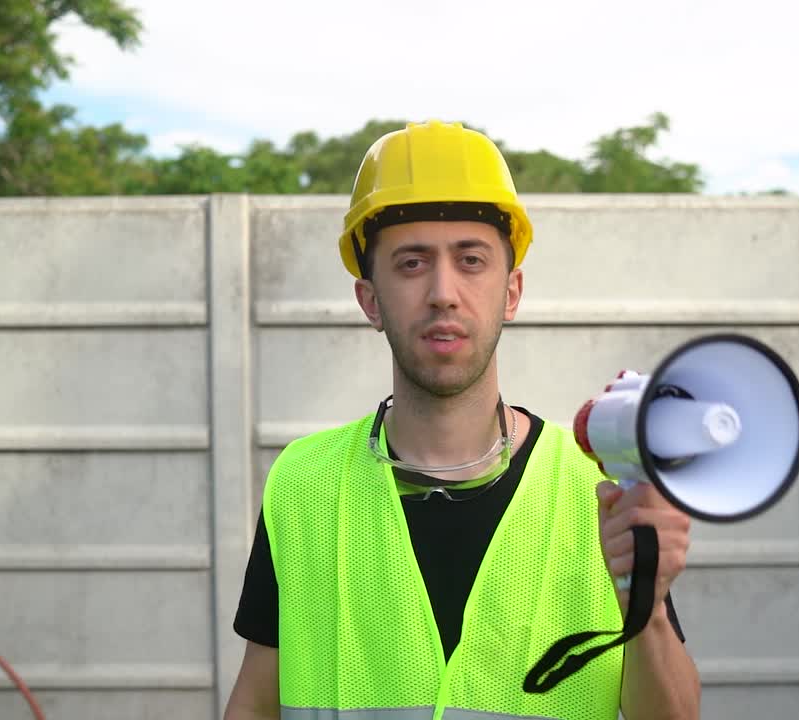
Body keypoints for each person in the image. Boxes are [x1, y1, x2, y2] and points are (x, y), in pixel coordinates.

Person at [223, 120, 701, 720]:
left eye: (471, 260)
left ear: (511, 292)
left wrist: (646, 610)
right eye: (412, 263)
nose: (443, 292)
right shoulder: (302, 484)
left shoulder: (598, 488)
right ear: (370, 300)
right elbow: (254, 704)